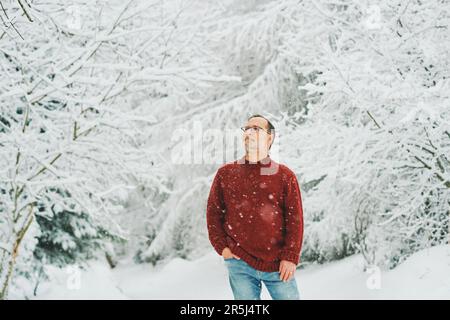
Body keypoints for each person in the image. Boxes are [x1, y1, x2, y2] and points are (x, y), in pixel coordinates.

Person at [206, 114, 304, 300]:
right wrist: (223, 249)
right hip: (239, 261)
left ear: (270, 138)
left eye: (256, 129)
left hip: (277, 264)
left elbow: (295, 220)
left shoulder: (284, 176)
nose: (249, 132)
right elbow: (213, 214)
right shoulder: (226, 174)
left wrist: (290, 256)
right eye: (246, 129)